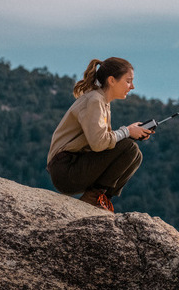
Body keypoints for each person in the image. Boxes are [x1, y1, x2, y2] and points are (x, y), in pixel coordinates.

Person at [46, 57, 153, 212]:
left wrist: (130, 134)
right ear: (111, 80)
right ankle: (93, 198)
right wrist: (127, 131)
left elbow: (102, 143)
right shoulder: (94, 101)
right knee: (129, 148)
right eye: (128, 81)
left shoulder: (102, 102)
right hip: (65, 170)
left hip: (76, 165)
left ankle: (101, 199)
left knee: (135, 155)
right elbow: (98, 143)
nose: (132, 87)